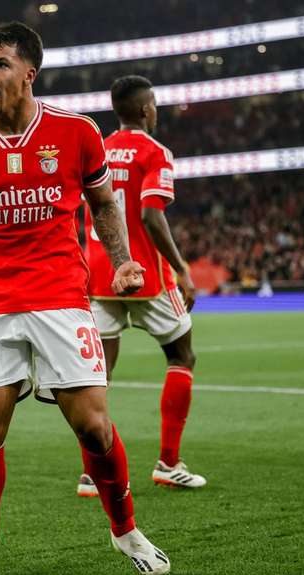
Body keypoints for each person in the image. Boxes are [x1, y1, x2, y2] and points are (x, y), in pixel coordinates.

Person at [0, 22, 170, 575]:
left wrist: (122, 261)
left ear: (29, 72)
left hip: (60, 295)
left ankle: (126, 531)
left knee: (93, 426)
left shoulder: (77, 133)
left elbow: (102, 204)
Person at [77, 75, 205, 499]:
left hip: (100, 276)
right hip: (145, 277)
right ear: (145, 109)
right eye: (154, 104)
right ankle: (169, 463)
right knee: (182, 355)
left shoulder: (97, 149)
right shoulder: (154, 152)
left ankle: (91, 475)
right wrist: (182, 268)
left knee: (98, 376)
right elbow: (152, 216)